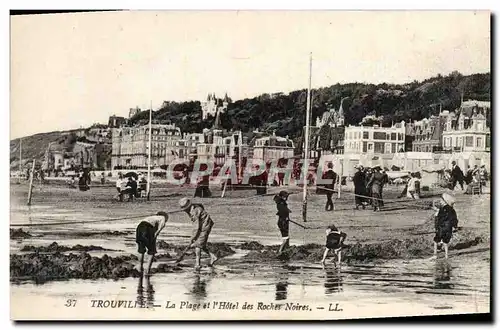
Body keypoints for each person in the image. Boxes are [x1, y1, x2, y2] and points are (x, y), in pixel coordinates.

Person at [178, 198, 218, 270]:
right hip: (204, 225)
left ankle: (197, 264)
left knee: (197, 245)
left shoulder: (194, 212)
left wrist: (193, 237)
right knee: (201, 244)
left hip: (205, 226)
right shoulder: (195, 207)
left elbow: (196, 227)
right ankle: (212, 256)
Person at [431, 193, 459, 260]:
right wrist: (455, 226)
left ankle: (435, 255)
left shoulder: (442, 209)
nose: (440, 201)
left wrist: (436, 227)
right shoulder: (452, 210)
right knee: (445, 242)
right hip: (449, 228)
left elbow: (439, 219)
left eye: (441, 200)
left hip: (442, 227)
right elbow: (454, 219)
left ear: (444, 201)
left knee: (436, 240)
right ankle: (446, 256)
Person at [273, 190, 291, 254]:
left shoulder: (281, 203)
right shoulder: (281, 203)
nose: (286, 198)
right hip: (283, 222)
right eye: (285, 197)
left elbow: (283, 210)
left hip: (283, 221)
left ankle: (286, 249)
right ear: (282, 197)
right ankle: (280, 251)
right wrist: (286, 217)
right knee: (286, 239)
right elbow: (282, 211)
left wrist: (287, 210)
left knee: (287, 237)